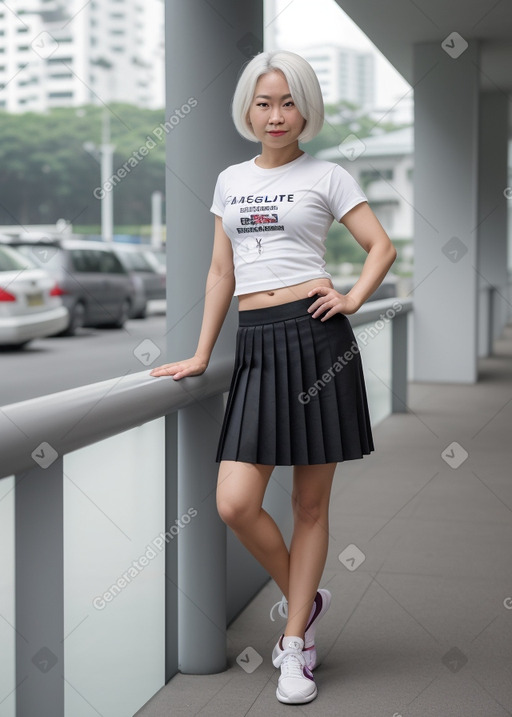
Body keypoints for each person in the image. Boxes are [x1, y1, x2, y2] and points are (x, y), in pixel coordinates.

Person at [150, 49, 397, 705]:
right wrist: (203, 354)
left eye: (288, 102)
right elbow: (220, 275)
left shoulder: (330, 174)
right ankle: (304, 598)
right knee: (234, 500)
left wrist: (351, 298)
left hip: (317, 338)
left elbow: (382, 245)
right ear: (248, 109)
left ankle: (295, 647)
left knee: (308, 505)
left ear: (306, 108)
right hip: (256, 343)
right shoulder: (230, 179)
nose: (276, 114)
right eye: (264, 102)